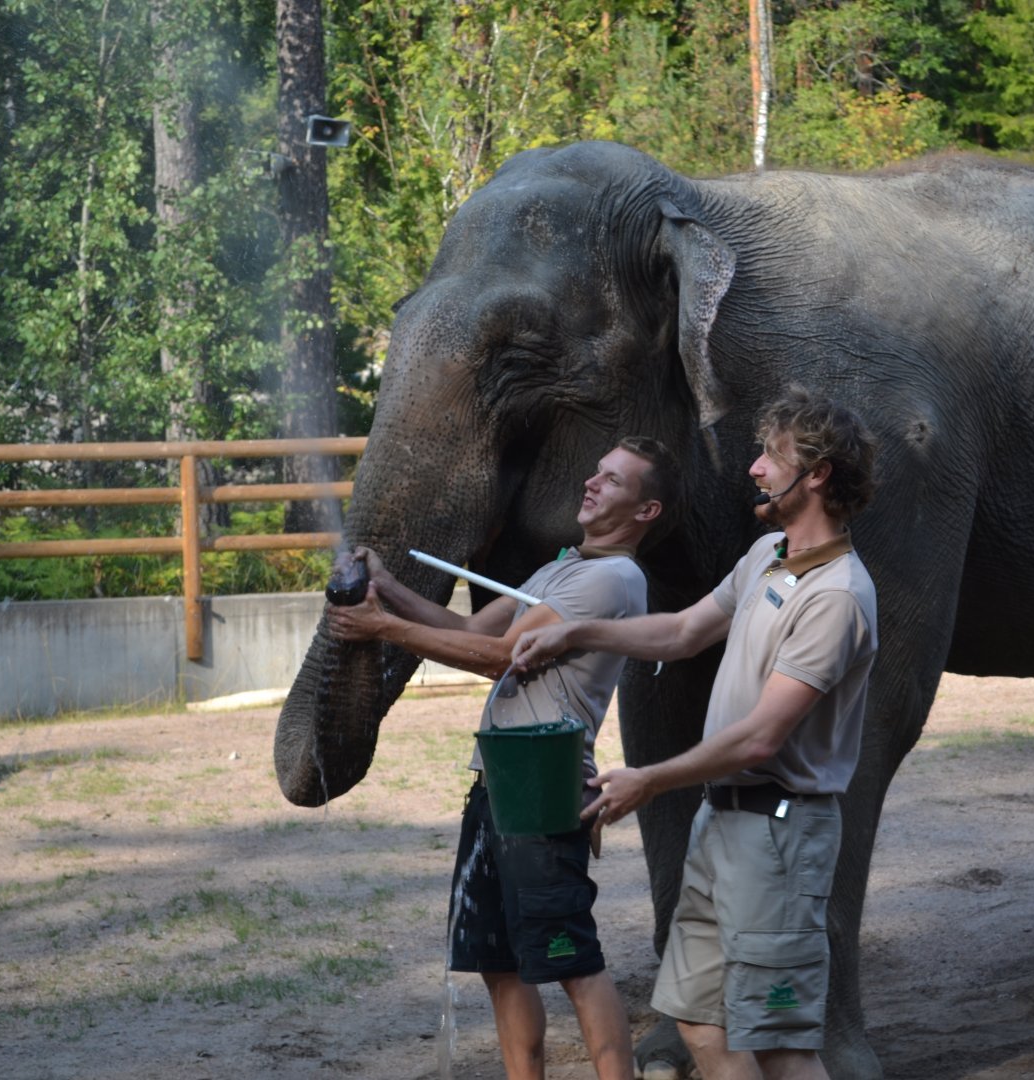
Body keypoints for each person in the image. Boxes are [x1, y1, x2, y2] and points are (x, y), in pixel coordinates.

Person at [513, 389, 879, 1080]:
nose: (755, 470)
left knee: (779, 1042)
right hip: (724, 823)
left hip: (780, 832)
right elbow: (683, 631)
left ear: (819, 474)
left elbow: (760, 739)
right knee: (701, 1023)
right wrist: (579, 631)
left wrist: (648, 779)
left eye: (772, 456)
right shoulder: (770, 552)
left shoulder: (837, 597)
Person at [329, 435, 681, 1080]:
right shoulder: (565, 568)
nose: (592, 483)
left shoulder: (610, 578)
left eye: (613, 480)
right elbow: (468, 631)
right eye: (595, 470)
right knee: (498, 959)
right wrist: (387, 587)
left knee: (569, 955)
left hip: (544, 785)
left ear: (645, 511)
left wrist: (382, 627)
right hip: (498, 778)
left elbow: (500, 657)